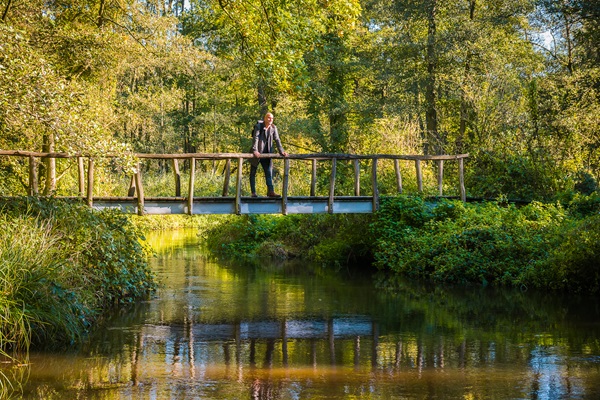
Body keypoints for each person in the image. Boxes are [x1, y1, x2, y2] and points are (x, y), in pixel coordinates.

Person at [249, 112, 288, 197]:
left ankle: (271, 191)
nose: (270, 119)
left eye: (272, 118)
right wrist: (255, 150)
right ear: (265, 118)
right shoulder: (258, 126)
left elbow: (277, 139)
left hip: (267, 153)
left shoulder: (273, 128)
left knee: (268, 172)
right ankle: (253, 192)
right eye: (269, 118)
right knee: (253, 172)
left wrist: (281, 151)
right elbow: (255, 138)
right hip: (257, 152)